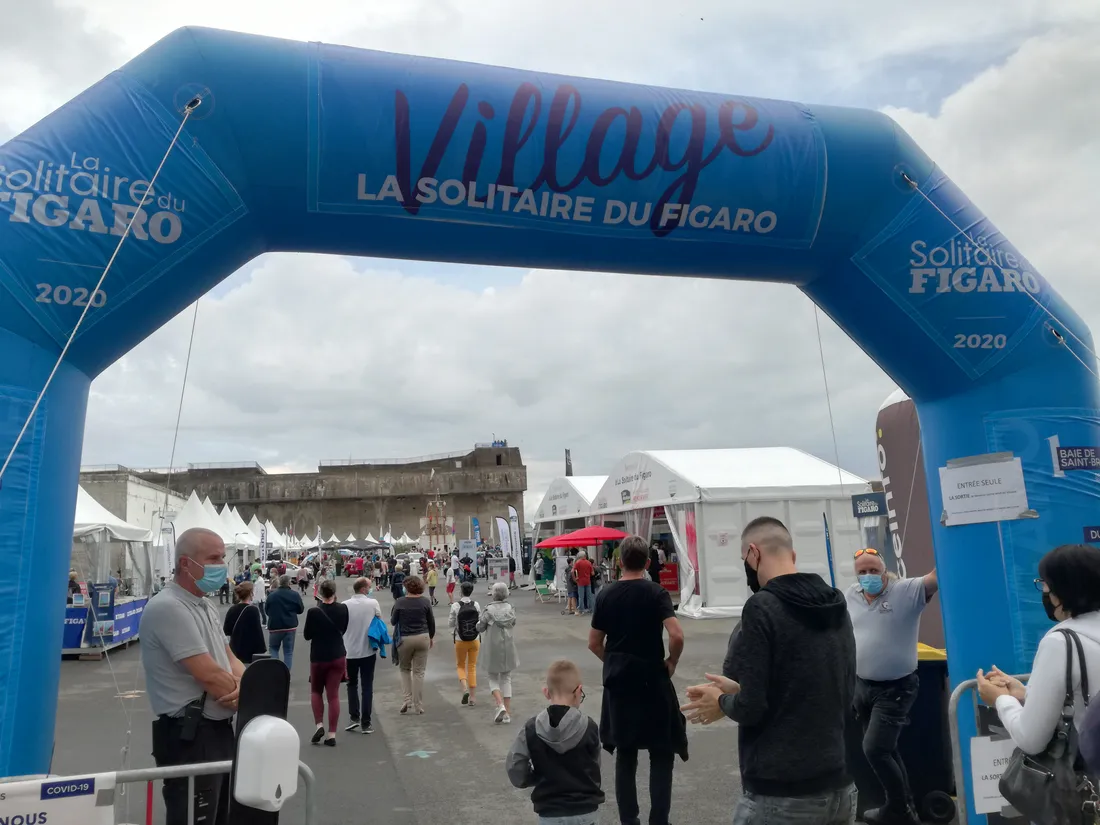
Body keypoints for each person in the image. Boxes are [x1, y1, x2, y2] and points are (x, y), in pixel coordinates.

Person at [680, 516, 857, 825]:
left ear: (753, 553)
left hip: (782, 791)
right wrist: (740, 691)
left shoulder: (762, 607)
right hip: (840, 786)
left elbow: (752, 708)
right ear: (793, 555)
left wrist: (722, 702)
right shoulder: (835, 603)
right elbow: (833, 689)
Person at [140, 528, 242, 825]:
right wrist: (246, 694)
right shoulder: (168, 607)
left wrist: (246, 683)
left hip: (216, 729)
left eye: (222, 556)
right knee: (195, 817)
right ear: (186, 564)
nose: (221, 564)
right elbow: (208, 674)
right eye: (213, 557)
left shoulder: (205, 604)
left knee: (219, 815)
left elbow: (229, 657)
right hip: (191, 735)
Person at [589, 535, 686, 825]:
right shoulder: (656, 593)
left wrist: (616, 661)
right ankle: (659, 820)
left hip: (620, 684)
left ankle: (629, 820)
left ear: (619, 562)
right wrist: (672, 661)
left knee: (626, 755)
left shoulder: (605, 594)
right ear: (646, 562)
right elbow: (677, 634)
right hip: (653, 680)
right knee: (661, 753)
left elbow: (594, 643)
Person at [978, 544, 1100, 758]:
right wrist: (1027, 694)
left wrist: (1000, 699)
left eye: (1044, 584)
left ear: (1061, 591)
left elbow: (1031, 739)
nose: (1044, 591)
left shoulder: (1061, 643)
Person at [847, 548, 938, 825]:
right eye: (862, 572)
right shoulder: (851, 594)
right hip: (862, 686)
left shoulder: (906, 592)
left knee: (874, 749)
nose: (868, 576)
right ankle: (905, 807)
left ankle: (898, 810)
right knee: (886, 749)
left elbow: (937, 577)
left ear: (884, 571)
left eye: (873, 570)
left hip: (896, 689)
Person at [506, 659, 604, 825]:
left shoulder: (531, 728)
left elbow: (515, 765)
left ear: (546, 692)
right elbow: (596, 764)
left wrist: (532, 779)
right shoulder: (589, 726)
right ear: (579, 690)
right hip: (585, 810)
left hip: (550, 811)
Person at [303, 579, 349, 746]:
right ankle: (331, 734)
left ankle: (319, 724)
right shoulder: (343, 608)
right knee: (333, 695)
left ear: (320, 593)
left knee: (316, 691)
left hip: (318, 656)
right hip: (337, 654)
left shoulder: (314, 611)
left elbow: (307, 635)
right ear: (334, 592)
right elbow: (344, 629)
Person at [343, 576, 383, 734]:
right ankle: (366, 722)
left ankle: (354, 716)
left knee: (351, 684)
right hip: (368, 649)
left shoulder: (344, 605)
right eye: (369, 586)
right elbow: (379, 619)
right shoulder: (373, 603)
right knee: (367, 686)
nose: (370, 588)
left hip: (349, 650)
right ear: (364, 589)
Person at [391, 575, 435, 714]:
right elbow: (431, 622)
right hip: (423, 637)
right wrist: (431, 637)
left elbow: (393, 621)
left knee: (405, 670)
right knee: (419, 672)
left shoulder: (400, 602)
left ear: (406, 587)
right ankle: (418, 705)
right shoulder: (425, 602)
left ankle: (407, 700)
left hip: (405, 638)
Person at [479, 581, 518, 724]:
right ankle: (507, 712)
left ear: (493, 594)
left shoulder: (488, 610)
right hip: (507, 643)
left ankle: (499, 704)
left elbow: (480, 627)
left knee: (492, 676)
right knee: (507, 677)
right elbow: (513, 623)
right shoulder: (510, 608)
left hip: (492, 645)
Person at [450, 580, 483, 706]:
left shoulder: (455, 606)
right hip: (474, 639)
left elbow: (451, 623)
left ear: (461, 591)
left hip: (460, 639)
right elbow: (479, 622)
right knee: (472, 666)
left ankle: (464, 689)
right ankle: (473, 697)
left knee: (460, 665)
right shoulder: (476, 605)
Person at [266, 574, 304, 671]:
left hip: (275, 626)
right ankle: (286, 674)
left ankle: (276, 672)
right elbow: (300, 610)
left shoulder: (272, 595)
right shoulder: (294, 595)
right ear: (289, 582)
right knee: (288, 652)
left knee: (273, 649)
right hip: (290, 626)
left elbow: (267, 610)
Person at [223, 581, 267, 664]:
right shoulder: (253, 610)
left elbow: (226, 630)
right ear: (250, 593)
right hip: (250, 650)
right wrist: (262, 650)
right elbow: (258, 633)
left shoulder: (232, 609)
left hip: (235, 648)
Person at [572, 550, 595, 615]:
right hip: (588, 581)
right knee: (589, 596)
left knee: (581, 596)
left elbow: (573, 571)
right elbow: (592, 573)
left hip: (580, 582)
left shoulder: (577, 563)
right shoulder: (589, 563)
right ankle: (591, 609)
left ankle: (581, 610)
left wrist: (576, 578)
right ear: (585, 556)